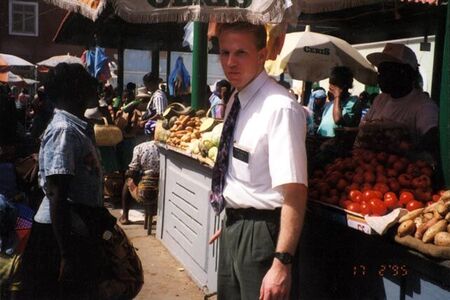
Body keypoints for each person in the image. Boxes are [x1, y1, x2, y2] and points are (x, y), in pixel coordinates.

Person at [210, 22, 308, 299]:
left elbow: (295, 192)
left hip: (264, 236)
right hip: (235, 227)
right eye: (224, 52)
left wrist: (281, 262)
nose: (230, 62)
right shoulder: (236, 100)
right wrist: (234, 220)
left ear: (262, 55)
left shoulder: (280, 108)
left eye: (241, 53)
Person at [20, 63, 102, 299]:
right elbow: (57, 194)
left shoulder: (76, 128)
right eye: (88, 82)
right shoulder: (64, 130)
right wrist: (66, 254)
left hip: (71, 230)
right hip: (58, 237)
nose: (94, 87)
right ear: (74, 90)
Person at [363, 43, 439, 158]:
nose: (380, 76)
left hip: (401, 171)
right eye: (380, 71)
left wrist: (405, 148)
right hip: (370, 168)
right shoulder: (380, 99)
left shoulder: (424, 105)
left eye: (386, 71)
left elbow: (432, 137)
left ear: (405, 73)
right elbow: (364, 127)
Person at [119, 122, 159, 225]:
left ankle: (125, 216)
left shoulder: (140, 147)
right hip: (161, 190)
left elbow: (133, 169)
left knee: (128, 181)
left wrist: (130, 176)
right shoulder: (166, 148)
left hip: (145, 193)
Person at [317, 66, 361, 137]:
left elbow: (337, 120)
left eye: (334, 84)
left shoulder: (353, 102)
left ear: (344, 86)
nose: (330, 87)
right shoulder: (331, 103)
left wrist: (337, 96)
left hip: (335, 142)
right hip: (321, 138)